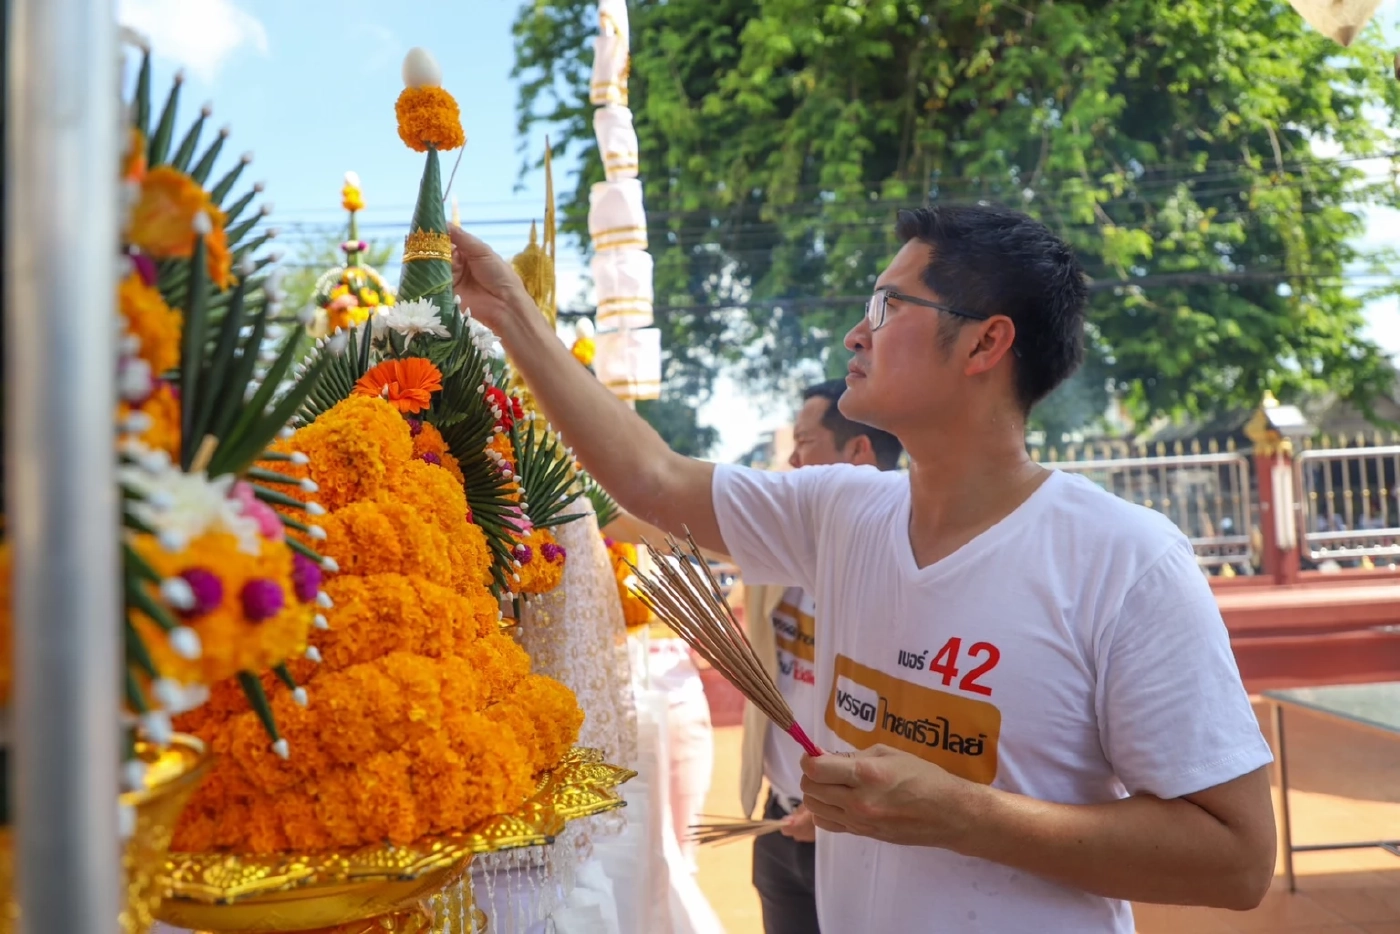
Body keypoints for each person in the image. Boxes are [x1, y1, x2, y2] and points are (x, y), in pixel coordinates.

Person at [448, 203, 1277, 933]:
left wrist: (965, 814)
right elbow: (654, 479)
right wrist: (510, 313)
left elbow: (1237, 860)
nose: (856, 333)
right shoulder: (841, 512)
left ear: (986, 342)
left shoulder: (1123, 560)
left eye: (887, 305)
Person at [739, 379, 902, 934]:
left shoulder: (905, 566)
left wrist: (845, 800)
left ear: (858, 452)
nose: (791, 461)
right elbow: (661, 502)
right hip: (780, 817)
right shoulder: (782, 542)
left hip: (866, 831)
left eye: (804, 442)